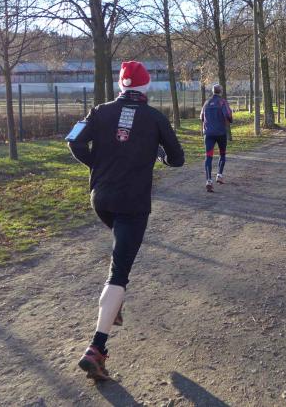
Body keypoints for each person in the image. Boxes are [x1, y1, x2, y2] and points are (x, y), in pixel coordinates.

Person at [67, 61, 184, 381]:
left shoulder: (98, 111)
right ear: (146, 86)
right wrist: (160, 154)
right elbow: (177, 159)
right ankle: (96, 349)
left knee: (120, 255)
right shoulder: (156, 118)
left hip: (101, 200)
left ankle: (114, 305)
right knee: (118, 274)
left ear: (121, 85)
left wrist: (98, 164)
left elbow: (74, 141)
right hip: (133, 203)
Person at [201, 83, 233, 192]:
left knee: (208, 156)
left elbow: (201, 117)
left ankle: (208, 180)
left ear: (212, 91)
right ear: (221, 91)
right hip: (220, 133)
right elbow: (228, 114)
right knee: (222, 154)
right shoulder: (222, 102)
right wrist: (230, 120)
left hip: (208, 134)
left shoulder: (206, 103)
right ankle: (219, 175)